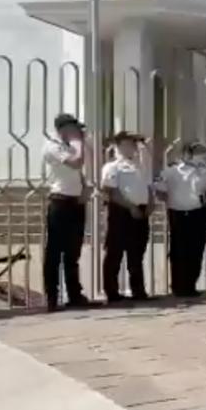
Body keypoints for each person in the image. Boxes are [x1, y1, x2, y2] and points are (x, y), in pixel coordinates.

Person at [156, 141, 206, 297]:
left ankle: (190, 284)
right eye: (197, 152)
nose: (201, 156)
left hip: (197, 213)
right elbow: (160, 191)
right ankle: (177, 285)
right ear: (186, 154)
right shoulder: (172, 172)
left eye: (203, 153)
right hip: (177, 213)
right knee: (178, 251)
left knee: (196, 250)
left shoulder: (205, 173)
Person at [42, 113, 90, 312]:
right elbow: (76, 162)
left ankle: (74, 295)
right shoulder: (52, 147)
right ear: (63, 129)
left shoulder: (70, 147)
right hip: (60, 202)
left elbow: (78, 173)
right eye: (74, 129)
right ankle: (52, 297)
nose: (79, 133)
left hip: (76, 202)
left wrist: (84, 189)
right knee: (54, 252)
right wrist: (79, 142)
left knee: (73, 251)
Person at [100, 131, 152, 303]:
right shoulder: (112, 167)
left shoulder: (140, 166)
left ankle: (138, 290)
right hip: (121, 212)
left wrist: (149, 204)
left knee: (137, 252)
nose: (134, 147)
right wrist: (130, 207)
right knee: (115, 252)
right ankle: (112, 292)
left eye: (135, 143)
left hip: (141, 211)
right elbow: (110, 192)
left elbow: (148, 187)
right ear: (120, 145)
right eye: (130, 143)